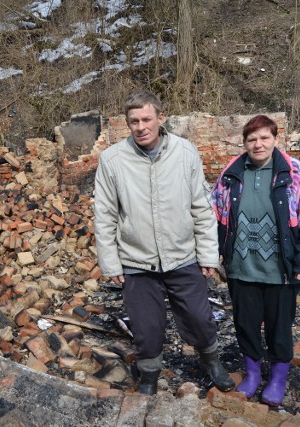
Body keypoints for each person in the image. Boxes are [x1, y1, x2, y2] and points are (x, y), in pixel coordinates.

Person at [94, 89, 235, 395]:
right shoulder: (112, 160)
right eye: (134, 121)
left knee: (199, 317)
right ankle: (148, 375)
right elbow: (104, 214)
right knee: (147, 328)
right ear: (127, 124)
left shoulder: (185, 153)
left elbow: (201, 206)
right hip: (136, 261)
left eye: (146, 119)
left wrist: (208, 256)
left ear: (160, 118)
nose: (141, 126)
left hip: (182, 256)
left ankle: (211, 361)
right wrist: (110, 261)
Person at [211, 114, 300, 406]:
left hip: (281, 270)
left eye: (264, 138)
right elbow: (212, 214)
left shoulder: (294, 172)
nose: (258, 144)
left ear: (276, 139)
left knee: (279, 326)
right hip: (241, 267)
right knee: (245, 324)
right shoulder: (232, 172)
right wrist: (211, 254)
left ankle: (277, 378)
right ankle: (252, 375)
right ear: (245, 143)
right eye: (252, 139)